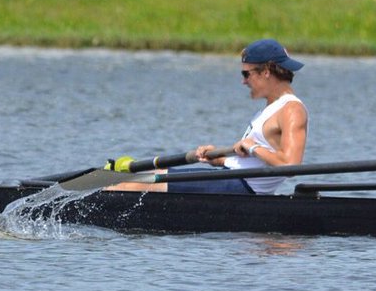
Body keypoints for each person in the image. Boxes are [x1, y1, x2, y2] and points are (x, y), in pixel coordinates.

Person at [109, 39, 308, 194]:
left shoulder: (292, 110)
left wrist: (252, 147)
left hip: (243, 187)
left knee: (133, 186)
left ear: (265, 72)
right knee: (141, 179)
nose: (243, 82)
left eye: (246, 74)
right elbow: (256, 160)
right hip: (232, 177)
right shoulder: (270, 108)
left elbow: (290, 166)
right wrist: (220, 159)